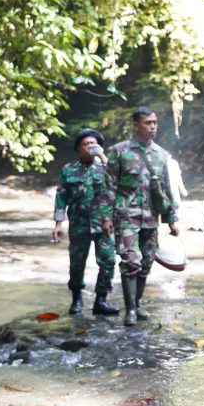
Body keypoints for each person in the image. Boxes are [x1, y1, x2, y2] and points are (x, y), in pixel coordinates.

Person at [104, 107, 179, 326]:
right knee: (130, 260)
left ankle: (137, 304)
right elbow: (108, 187)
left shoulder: (161, 154)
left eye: (155, 122)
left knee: (146, 261)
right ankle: (130, 311)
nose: (153, 127)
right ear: (136, 125)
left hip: (151, 218)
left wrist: (171, 219)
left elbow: (166, 189)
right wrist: (106, 217)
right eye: (148, 123)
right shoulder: (119, 151)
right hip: (125, 215)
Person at [53, 129, 120, 316]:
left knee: (108, 261)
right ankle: (76, 298)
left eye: (94, 144)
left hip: (104, 224)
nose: (90, 147)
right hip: (78, 224)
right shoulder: (68, 170)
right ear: (78, 148)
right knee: (76, 263)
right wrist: (58, 224)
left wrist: (102, 155)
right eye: (86, 144)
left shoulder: (105, 167)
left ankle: (101, 300)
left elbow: (118, 179)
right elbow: (61, 197)